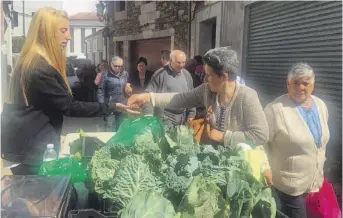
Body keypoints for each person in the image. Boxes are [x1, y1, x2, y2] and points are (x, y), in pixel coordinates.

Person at [4, 8, 135, 175]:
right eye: (63, 30)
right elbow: (69, 106)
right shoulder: (39, 68)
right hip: (31, 151)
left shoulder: (33, 62)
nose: (69, 36)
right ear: (47, 33)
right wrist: (112, 106)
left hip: (27, 147)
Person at [129, 47, 269, 148]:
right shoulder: (207, 90)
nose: (206, 79)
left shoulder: (247, 96)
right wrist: (149, 97)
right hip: (213, 157)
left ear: (224, 77)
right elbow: (181, 98)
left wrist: (224, 136)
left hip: (238, 166)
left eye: (209, 75)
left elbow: (260, 135)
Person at [264, 63, 330, 218]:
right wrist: (264, 167)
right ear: (288, 84)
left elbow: (319, 142)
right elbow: (260, 143)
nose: (301, 87)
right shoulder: (275, 109)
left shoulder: (320, 105)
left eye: (306, 83)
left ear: (313, 84)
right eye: (296, 83)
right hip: (288, 187)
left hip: (315, 183)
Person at [145, 50, 196, 125]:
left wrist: (192, 113)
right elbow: (148, 95)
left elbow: (191, 94)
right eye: (178, 62)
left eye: (183, 62)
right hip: (164, 119)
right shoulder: (159, 74)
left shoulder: (186, 74)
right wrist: (148, 117)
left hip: (182, 119)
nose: (181, 65)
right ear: (171, 61)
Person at [97, 56, 132, 131]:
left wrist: (129, 92)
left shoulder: (125, 74)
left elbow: (127, 88)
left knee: (121, 129)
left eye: (120, 66)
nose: (118, 68)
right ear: (111, 64)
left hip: (122, 105)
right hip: (110, 106)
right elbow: (100, 90)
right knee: (110, 128)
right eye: (115, 66)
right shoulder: (106, 75)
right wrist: (102, 104)